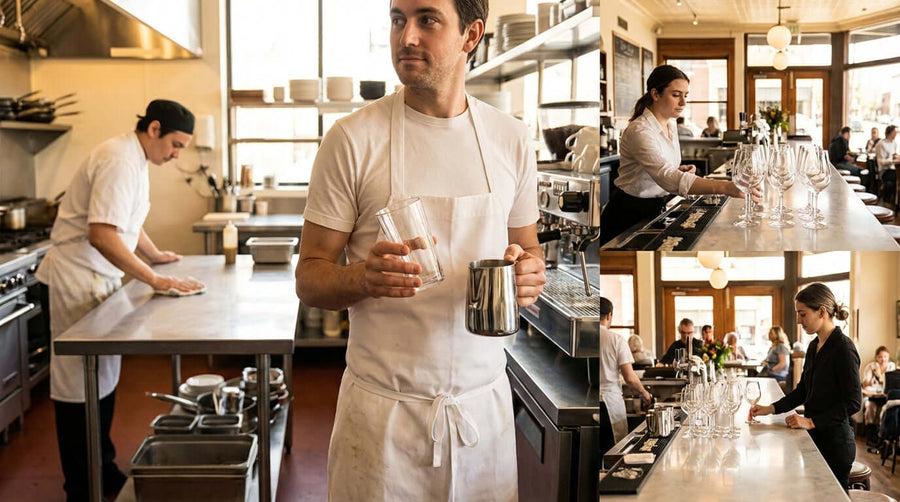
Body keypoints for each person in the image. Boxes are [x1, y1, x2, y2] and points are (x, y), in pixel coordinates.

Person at [295, 1, 546, 499]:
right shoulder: (351, 140)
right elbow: (309, 276)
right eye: (397, 19)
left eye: (427, 20)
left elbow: (527, 249)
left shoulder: (511, 140)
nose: (406, 36)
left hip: (482, 414)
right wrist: (362, 278)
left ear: (470, 36)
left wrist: (529, 274)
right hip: (383, 419)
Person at [35, 99, 203, 501]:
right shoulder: (118, 159)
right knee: (78, 389)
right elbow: (102, 234)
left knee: (102, 380)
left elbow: (128, 221)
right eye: (176, 144)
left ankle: (104, 468)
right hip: (77, 280)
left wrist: (154, 254)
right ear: (154, 129)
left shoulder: (136, 158)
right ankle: (80, 485)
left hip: (98, 280)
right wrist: (155, 278)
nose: (177, 154)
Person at [599, 65, 755, 246]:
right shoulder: (639, 130)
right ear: (655, 94)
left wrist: (678, 169)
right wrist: (727, 187)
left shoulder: (670, 125)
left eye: (685, 95)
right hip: (628, 214)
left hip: (655, 208)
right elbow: (667, 178)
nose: (683, 102)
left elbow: (662, 171)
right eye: (676, 95)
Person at [749, 283, 861, 490]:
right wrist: (770, 409)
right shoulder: (814, 345)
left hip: (836, 443)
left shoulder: (844, 348)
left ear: (822, 311)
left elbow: (854, 402)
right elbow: (802, 391)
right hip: (815, 438)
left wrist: (811, 421)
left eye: (802, 314)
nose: (799, 321)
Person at [599, 298, 652, 442]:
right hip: (609, 404)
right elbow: (629, 377)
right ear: (609, 315)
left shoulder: (582, 336)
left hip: (585, 403)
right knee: (611, 453)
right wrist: (644, 393)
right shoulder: (616, 340)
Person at [862, 346, 896, 444]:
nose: (883, 359)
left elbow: (887, 383)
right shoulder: (870, 366)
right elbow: (865, 384)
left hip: (885, 396)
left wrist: (879, 376)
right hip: (871, 396)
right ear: (876, 357)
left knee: (885, 409)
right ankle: (872, 436)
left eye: (885, 356)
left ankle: (883, 436)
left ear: (888, 357)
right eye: (880, 357)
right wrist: (873, 375)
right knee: (870, 407)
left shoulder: (892, 367)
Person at [875, 125, 899, 204]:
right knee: (895, 179)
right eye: (895, 132)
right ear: (890, 132)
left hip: (892, 169)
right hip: (884, 170)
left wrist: (896, 157)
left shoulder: (894, 143)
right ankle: (890, 202)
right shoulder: (881, 144)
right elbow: (880, 161)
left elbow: (893, 155)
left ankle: (894, 202)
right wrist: (892, 161)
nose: (896, 134)